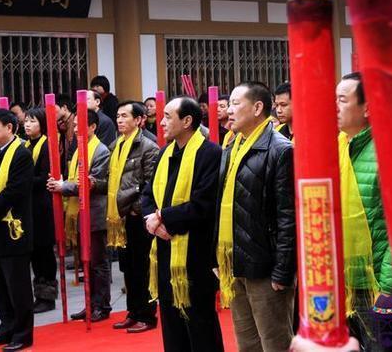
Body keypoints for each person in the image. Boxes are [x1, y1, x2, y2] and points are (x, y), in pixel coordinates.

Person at [214, 81, 296, 352]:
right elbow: (222, 205)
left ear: (258, 107)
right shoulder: (232, 146)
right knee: (247, 343)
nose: (229, 110)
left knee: (275, 342)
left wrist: (283, 270)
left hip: (264, 265)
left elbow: (287, 216)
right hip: (235, 260)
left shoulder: (280, 149)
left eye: (236, 104)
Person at [142, 96, 224, 352]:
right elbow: (148, 194)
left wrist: (163, 217)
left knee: (199, 323)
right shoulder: (165, 152)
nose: (161, 122)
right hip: (164, 248)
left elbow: (203, 204)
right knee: (171, 323)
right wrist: (153, 221)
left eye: (168, 116)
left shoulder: (210, 153)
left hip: (195, 252)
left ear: (187, 121)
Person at [336, 72, 392, 352]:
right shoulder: (337, 146)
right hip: (341, 280)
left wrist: (388, 289)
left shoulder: (387, 152)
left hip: (374, 283)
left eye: (342, 100)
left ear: (367, 108)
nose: (334, 107)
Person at [95, 101, 159, 333]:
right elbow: (112, 181)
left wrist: (136, 209)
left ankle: (147, 315)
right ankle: (133, 311)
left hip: (136, 216)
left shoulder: (148, 147)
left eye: (125, 116)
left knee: (143, 267)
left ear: (139, 120)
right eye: (118, 116)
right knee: (127, 268)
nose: (120, 120)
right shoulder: (116, 145)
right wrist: (94, 183)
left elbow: (151, 185)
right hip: (119, 217)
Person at [47, 110, 112, 322]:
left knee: (98, 263)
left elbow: (90, 182)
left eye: (79, 125)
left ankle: (102, 305)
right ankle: (90, 303)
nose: (75, 129)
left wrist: (63, 186)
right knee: (86, 262)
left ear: (93, 127)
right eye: (74, 125)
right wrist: (60, 183)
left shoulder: (101, 150)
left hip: (94, 213)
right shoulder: (78, 148)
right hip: (79, 212)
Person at [0, 109, 34, 351]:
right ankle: (6, 329)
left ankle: (22, 334)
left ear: (9, 128)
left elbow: (14, 190)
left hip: (13, 229)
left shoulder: (21, 154)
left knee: (17, 286)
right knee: (0, 285)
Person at [24, 108, 58, 314]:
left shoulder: (47, 145)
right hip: (29, 205)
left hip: (42, 206)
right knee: (35, 252)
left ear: (42, 124)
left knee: (44, 252)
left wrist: (22, 180)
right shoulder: (25, 145)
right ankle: (39, 294)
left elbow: (46, 176)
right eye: (26, 121)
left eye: (32, 121)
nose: (27, 124)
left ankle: (47, 296)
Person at [55, 94, 75, 178]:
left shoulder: (75, 122)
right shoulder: (61, 124)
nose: (52, 113)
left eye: (54, 110)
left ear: (64, 108)